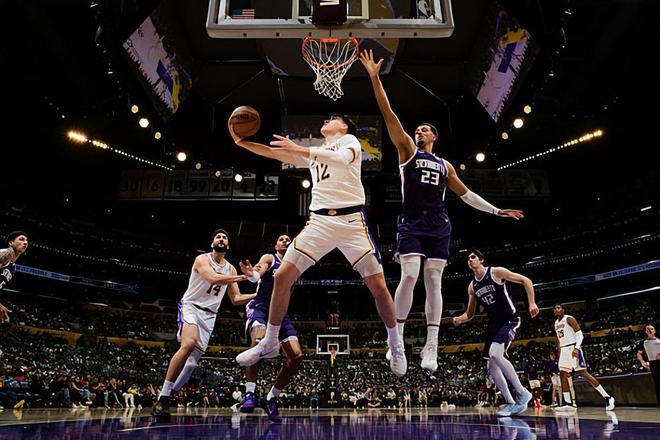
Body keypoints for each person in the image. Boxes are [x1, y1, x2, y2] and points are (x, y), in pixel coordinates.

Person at [360, 50, 524, 372]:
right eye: (418, 129)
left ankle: (431, 345)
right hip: (411, 222)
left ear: (435, 136)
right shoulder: (407, 151)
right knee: (409, 275)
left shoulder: (445, 165)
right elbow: (389, 114)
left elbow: (466, 195)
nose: (419, 132)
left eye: (425, 130)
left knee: (433, 281)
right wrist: (375, 79)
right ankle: (397, 341)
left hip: (439, 224)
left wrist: (496, 211)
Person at [229, 114, 407, 376]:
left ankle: (396, 345)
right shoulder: (317, 151)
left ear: (344, 126)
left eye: (333, 118)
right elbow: (273, 153)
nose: (327, 120)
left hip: (351, 221)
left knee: (379, 287)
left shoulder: (350, 140)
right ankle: (270, 341)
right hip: (319, 222)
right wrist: (241, 142)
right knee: (281, 276)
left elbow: (341, 159)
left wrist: (300, 149)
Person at [151, 229, 255, 417]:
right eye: (218, 237)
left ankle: (168, 396)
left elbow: (236, 298)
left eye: (224, 237)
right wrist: (244, 277)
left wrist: (258, 295)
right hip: (191, 306)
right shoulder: (202, 259)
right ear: (212, 243)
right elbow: (213, 278)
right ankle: (163, 396)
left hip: (210, 315)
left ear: (228, 245)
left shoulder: (230, 268)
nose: (221, 239)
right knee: (188, 344)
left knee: (191, 365)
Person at [453, 249, 538, 417]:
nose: (470, 260)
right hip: (494, 324)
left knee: (495, 354)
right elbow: (470, 314)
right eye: (468, 258)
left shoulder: (496, 272)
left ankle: (522, 392)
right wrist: (459, 319)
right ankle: (510, 402)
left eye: (473, 257)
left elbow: (526, 280)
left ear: (481, 259)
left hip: (509, 319)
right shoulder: (472, 286)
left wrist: (532, 303)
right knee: (491, 368)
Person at [237, 234, 303, 423]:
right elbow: (257, 274)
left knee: (297, 356)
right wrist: (251, 275)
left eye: (288, 239)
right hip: (261, 307)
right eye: (281, 239)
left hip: (280, 312)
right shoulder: (269, 258)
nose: (285, 241)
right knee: (258, 340)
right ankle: (250, 393)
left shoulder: (295, 266)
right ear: (276, 245)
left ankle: (271, 398)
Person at [552, 304, 615, 412]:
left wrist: (577, 348)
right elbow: (558, 340)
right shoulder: (556, 323)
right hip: (564, 350)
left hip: (572, 347)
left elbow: (580, 334)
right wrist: (559, 355)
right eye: (554, 309)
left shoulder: (569, 318)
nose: (556, 310)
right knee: (563, 374)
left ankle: (607, 397)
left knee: (583, 373)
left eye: (558, 308)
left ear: (563, 310)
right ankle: (568, 404)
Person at [0, 231, 29, 322]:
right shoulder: (5, 253)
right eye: (21, 239)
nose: (25, 242)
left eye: (26, 240)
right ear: (11, 243)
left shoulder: (13, 267)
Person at [636, 323, 660, 408]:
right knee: (658, 384)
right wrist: (642, 361)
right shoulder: (644, 342)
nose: (650, 330)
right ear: (646, 331)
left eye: (652, 328)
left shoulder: (659, 340)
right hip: (654, 364)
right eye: (648, 329)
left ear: (655, 331)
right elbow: (639, 354)